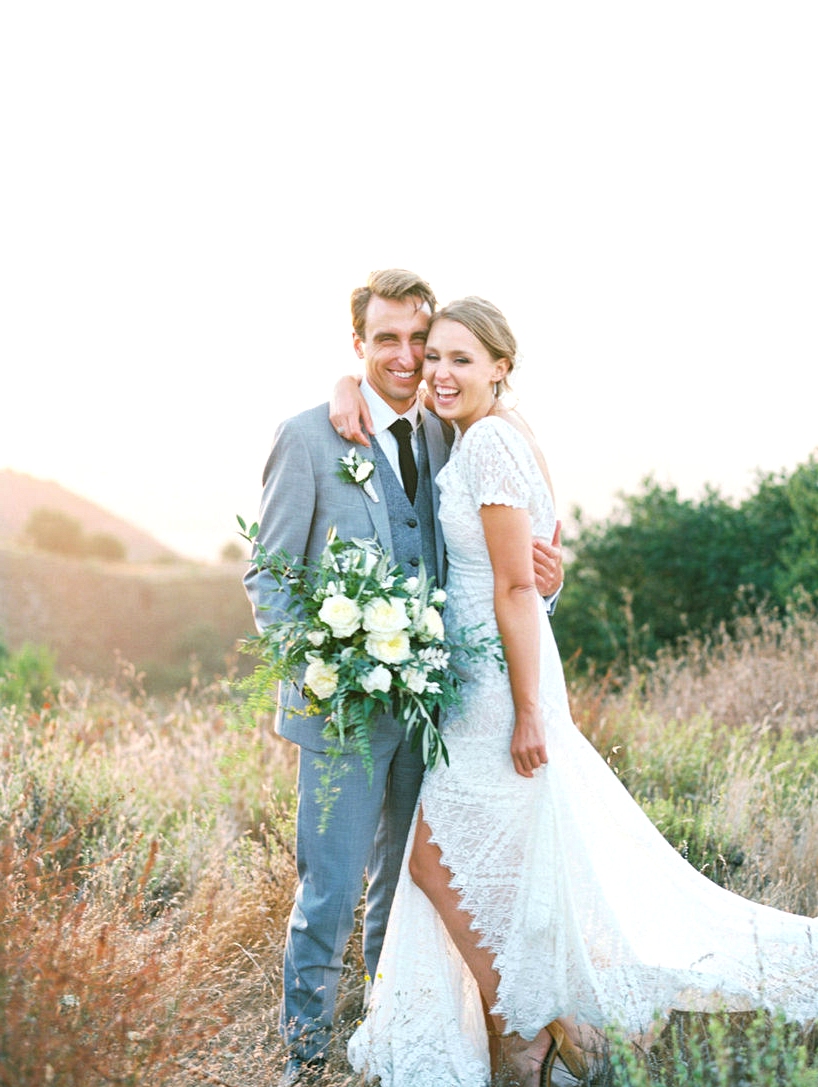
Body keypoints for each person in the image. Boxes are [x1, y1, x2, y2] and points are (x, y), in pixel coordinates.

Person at [346, 297, 818, 1087]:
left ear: (501, 366)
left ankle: (522, 1026)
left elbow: (512, 588)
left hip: (500, 680)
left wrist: (530, 710)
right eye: (435, 358)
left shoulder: (491, 442)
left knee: (432, 858)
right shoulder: (488, 435)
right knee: (491, 861)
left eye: (462, 359)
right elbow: (532, 563)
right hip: (484, 672)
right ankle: (542, 1018)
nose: (441, 372)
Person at [243, 271, 563, 1086]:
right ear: (358, 345)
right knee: (329, 891)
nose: (407, 355)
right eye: (385, 339)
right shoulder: (310, 436)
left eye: (418, 340)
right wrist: (324, 670)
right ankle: (304, 1061)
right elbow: (269, 577)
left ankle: (387, 1043)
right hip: (344, 710)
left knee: (405, 887)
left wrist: (551, 575)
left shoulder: (447, 434)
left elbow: (500, 546)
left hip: (434, 708)